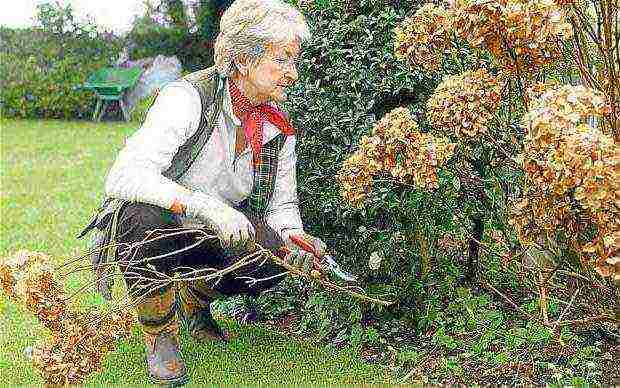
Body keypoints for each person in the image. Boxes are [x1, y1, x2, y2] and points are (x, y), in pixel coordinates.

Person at [85, 0, 327, 384]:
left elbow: (282, 204)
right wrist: (204, 206)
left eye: (292, 62)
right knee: (138, 216)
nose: (292, 74)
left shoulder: (277, 127)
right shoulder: (187, 98)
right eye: (282, 61)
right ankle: (160, 335)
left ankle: (192, 301)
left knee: (275, 255)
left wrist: (295, 238)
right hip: (166, 222)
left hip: (217, 232)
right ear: (245, 59)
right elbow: (124, 176)